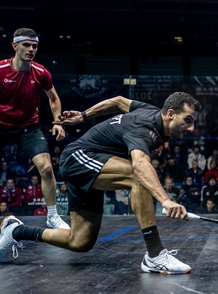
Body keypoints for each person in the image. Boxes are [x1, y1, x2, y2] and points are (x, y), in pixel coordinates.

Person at [0, 92, 202, 275]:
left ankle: (16, 231)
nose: (192, 128)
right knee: (138, 176)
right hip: (78, 159)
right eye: (188, 120)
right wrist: (166, 201)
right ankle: (155, 255)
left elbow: (118, 101)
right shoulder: (145, 129)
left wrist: (83, 116)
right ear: (170, 114)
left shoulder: (150, 111)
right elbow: (140, 164)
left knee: (80, 241)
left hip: (95, 166)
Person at [0, 28, 69, 229]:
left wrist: (58, 122)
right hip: (1, 125)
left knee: (46, 168)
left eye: (34, 46)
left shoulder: (41, 73)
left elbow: (54, 99)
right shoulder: (1, 69)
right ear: (15, 46)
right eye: (26, 45)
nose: (31, 49)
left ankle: (53, 216)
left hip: (28, 127)